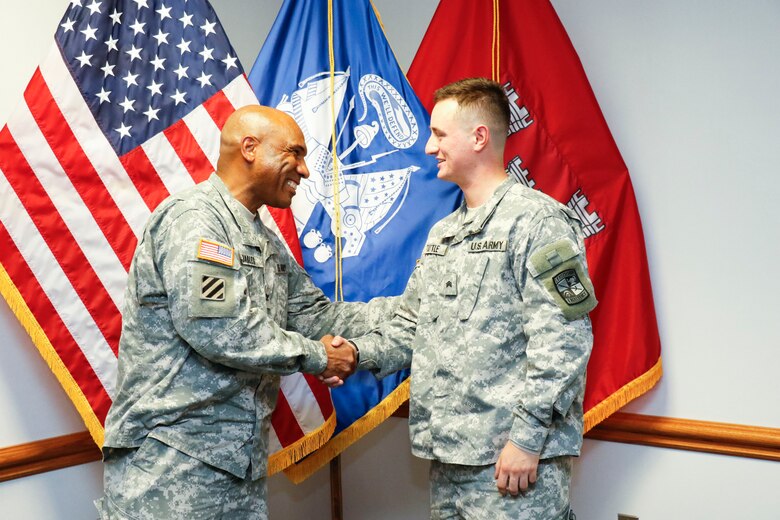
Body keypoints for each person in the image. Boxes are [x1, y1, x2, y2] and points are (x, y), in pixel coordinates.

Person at [95, 105, 383, 519]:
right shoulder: (195, 220)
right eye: (295, 153)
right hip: (172, 467)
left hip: (236, 468)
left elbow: (318, 317)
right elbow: (221, 330)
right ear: (250, 147)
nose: (304, 170)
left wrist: (415, 312)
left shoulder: (261, 238)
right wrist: (320, 357)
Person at [338, 78, 596, 519]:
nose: (427, 147)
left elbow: (564, 341)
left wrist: (527, 439)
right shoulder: (444, 233)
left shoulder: (537, 221)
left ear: (479, 137)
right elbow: (411, 327)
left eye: (439, 134)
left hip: (511, 464)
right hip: (450, 458)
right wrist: (353, 353)